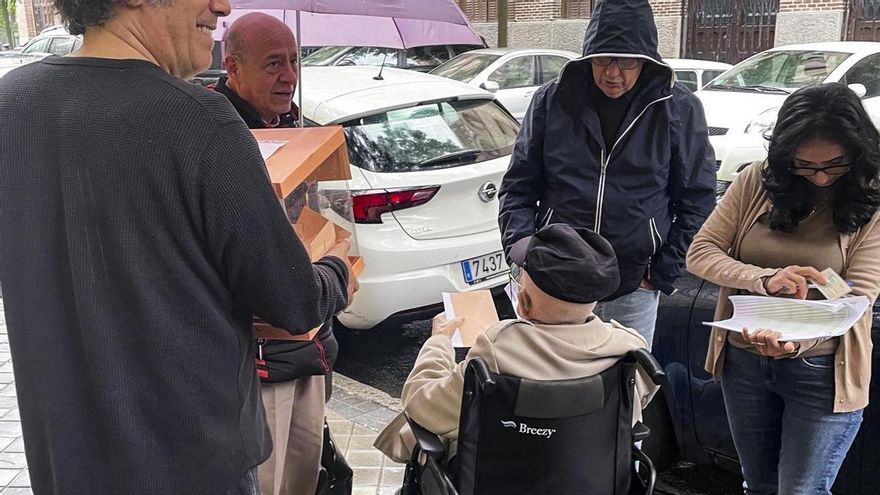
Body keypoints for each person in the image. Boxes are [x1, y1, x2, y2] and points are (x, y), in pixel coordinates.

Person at [0, 0, 358, 493]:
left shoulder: (10, 105)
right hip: (194, 466)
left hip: (66, 465)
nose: (222, 6)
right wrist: (337, 266)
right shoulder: (200, 121)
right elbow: (294, 302)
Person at [686, 83, 880, 493]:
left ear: (858, 152)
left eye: (835, 164)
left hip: (823, 370)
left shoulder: (871, 200)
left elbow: (859, 295)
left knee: (800, 490)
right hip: (743, 361)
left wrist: (797, 340)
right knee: (757, 485)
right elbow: (700, 253)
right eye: (806, 166)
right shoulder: (756, 180)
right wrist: (762, 279)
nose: (822, 176)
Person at [497, 0, 716, 349]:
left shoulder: (677, 108)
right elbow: (519, 187)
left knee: (627, 390)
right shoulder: (552, 101)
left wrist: (661, 272)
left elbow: (698, 198)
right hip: (553, 282)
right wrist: (522, 253)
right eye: (602, 60)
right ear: (587, 58)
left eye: (627, 61)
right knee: (549, 388)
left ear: (647, 61)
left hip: (632, 287)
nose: (613, 73)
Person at [374, 224, 657, 462]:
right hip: (591, 481)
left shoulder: (499, 349)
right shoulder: (631, 350)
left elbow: (422, 405)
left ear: (522, 302)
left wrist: (438, 344)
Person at [214, 13, 332, 495]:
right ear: (233, 68)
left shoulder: (295, 125)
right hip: (259, 365)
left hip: (311, 346)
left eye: (294, 61)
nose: (288, 75)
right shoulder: (216, 136)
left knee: (304, 477)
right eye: (273, 64)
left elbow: (321, 216)